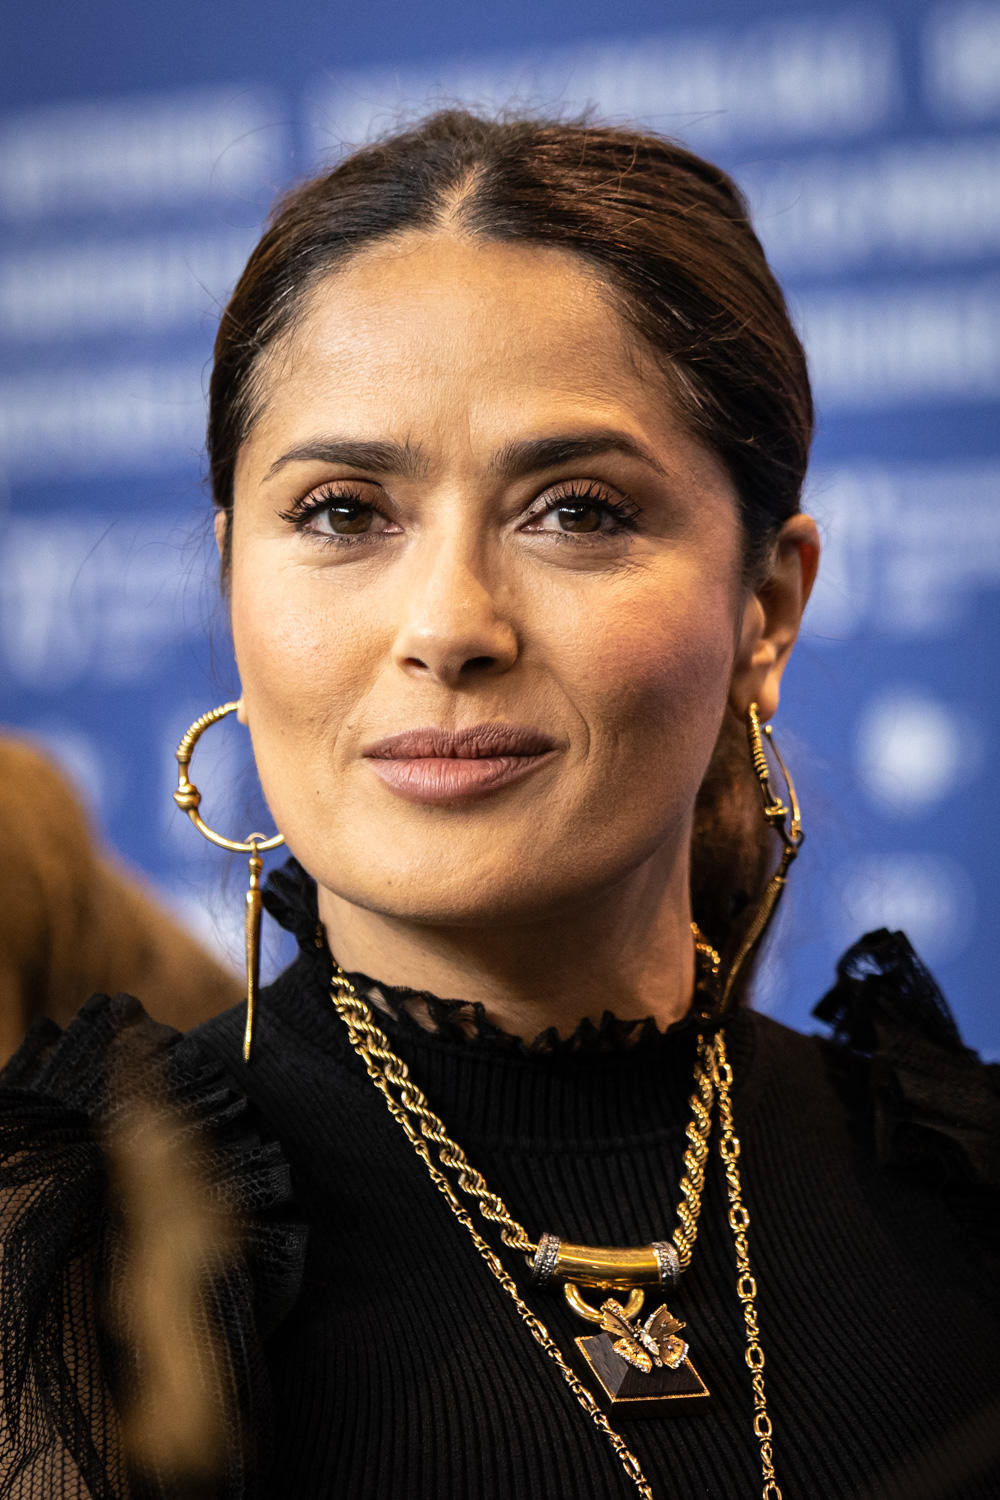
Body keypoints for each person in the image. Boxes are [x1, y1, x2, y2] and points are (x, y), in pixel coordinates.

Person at [0, 111, 996, 1500]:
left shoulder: (966, 1205)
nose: (449, 624)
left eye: (577, 510)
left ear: (765, 610)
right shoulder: (56, 1273)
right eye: (345, 512)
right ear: (235, 584)